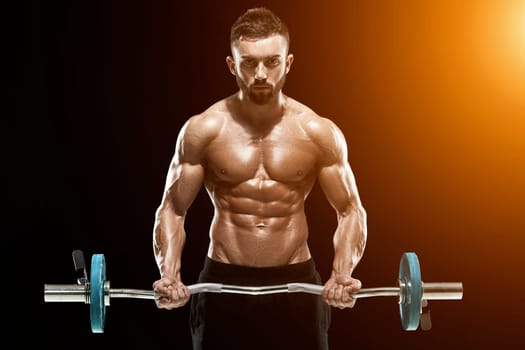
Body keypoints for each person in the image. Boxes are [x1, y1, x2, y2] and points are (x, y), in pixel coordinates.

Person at [152, 7, 367, 350]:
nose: (261, 73)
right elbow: (172, 210)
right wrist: (169, 274)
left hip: (296, 283)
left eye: (272, 61)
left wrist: (342, 273)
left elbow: (351, 210)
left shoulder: (317, 132)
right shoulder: (203, 130)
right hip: (224, 282)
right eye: (249, 62)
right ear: (232, 64)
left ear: (289, 62)